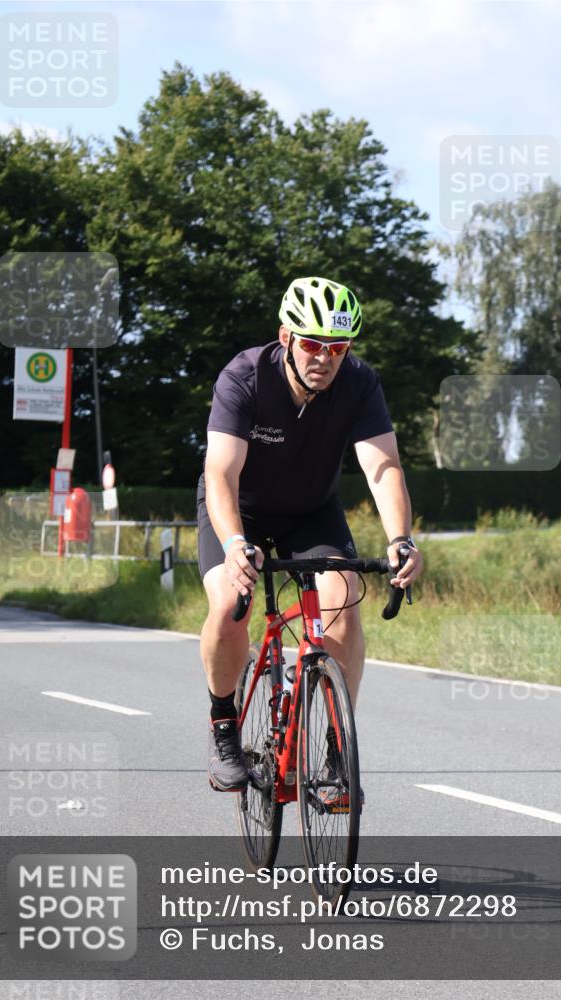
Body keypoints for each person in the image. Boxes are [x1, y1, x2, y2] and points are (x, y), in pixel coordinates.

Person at [197, 276, 424, 798]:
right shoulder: (244, 377)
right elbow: (221, 474)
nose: (324, 357)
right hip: (239, 511)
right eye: (313, 344)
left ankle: (336, 747)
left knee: (344, 603)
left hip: (310, 512)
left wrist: (401, 539)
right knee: (231, 603)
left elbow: (384, 467)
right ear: (286, 338)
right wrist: (234, 545)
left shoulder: (359, 384)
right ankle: (223, 727)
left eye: (338, 347)